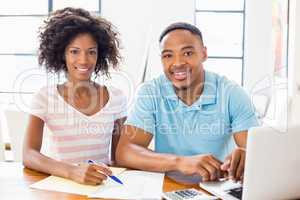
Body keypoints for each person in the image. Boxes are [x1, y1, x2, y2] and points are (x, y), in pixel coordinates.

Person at [116, 22, 258, 183]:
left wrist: (246, 155)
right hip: (168, 187)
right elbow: (125, 152)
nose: (177, 63)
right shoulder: (150, 92)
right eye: (168, 55)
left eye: (188, 53)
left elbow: (255, 151)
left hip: (218, 187)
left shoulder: (232, 93)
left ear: (204, 54)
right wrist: (180, 162)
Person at [23, 7, 127, 185]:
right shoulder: (45, 97)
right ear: (62, 54)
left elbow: (119, 157)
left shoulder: (116, 97)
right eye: (74, 51)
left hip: (99, 187)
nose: (84, 60)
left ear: (99, 54)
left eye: (91, 52)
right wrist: (71, 171)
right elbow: (28, 154)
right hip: (58, 187)